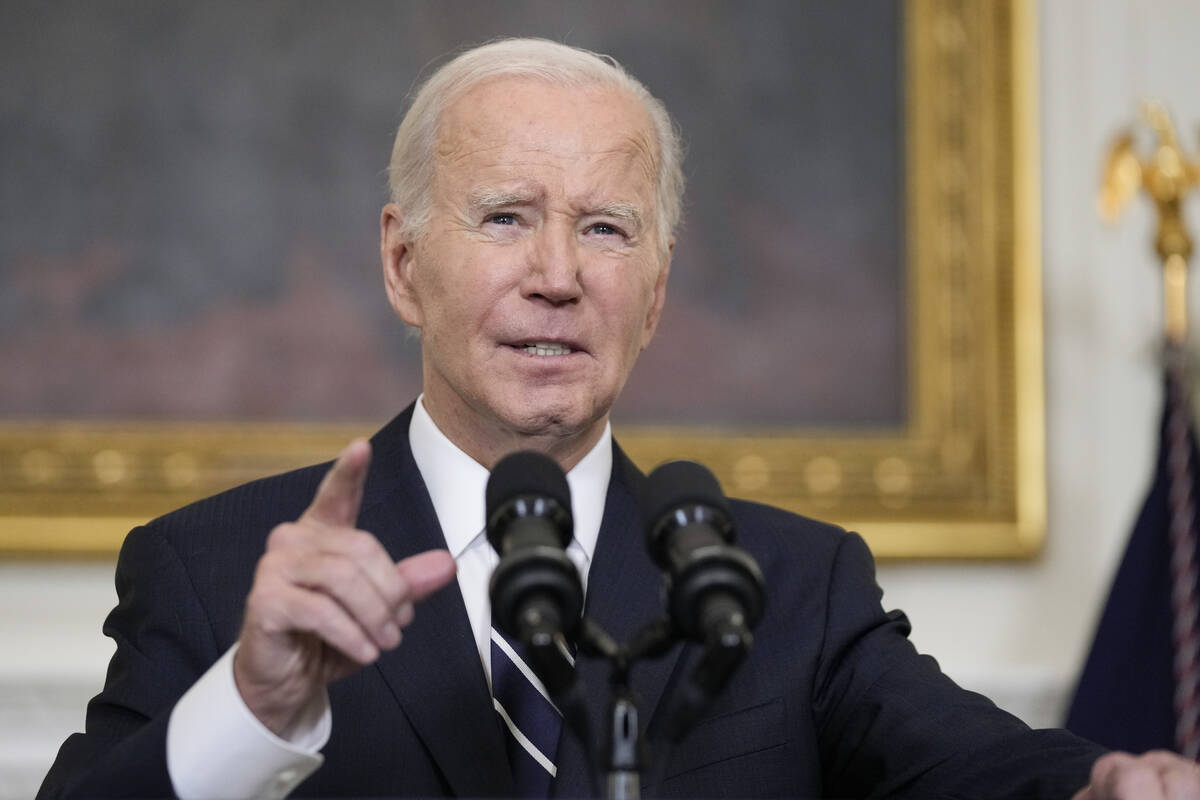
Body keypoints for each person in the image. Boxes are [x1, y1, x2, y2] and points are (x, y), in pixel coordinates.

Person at [37, 37, 1200, 800]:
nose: (557, 274)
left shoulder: (785, 583)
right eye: (504, 218)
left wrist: (1100, 784)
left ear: (656, 287)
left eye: (605, 228)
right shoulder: (220, 570)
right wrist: (251, 706)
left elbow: (974, 763)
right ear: (401, 264)